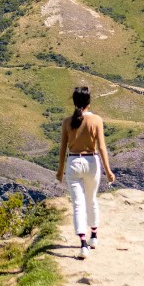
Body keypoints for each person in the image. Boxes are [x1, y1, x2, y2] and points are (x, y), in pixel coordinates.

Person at [56, 84, 115, 256]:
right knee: (91, 199)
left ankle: (83, 243)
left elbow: (62, 149)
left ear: (74, 102)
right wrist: (108, 171)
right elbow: (102, 148)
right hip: (92, 161)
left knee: (78, 204)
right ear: (89, 101)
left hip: (74, 162)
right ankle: (94, 235)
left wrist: (60, 170)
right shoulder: (96, 120)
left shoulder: (67, 122)